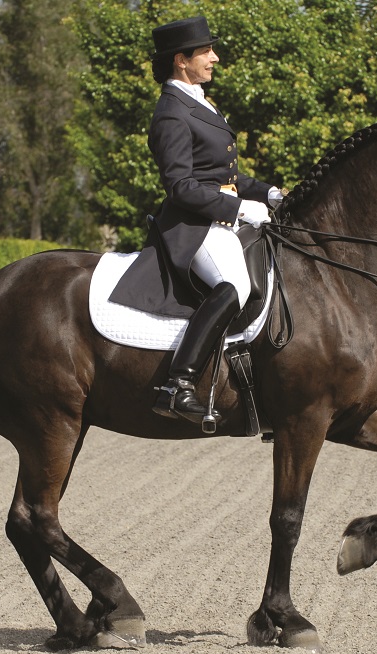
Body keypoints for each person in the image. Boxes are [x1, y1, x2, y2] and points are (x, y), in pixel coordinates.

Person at [109, 15, 284, 425]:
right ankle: (178, 384)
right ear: (180, 59)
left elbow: (224, 175)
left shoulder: (199, 101)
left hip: (219, 218)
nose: (215, 58)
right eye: (206, 51)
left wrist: (270, 193)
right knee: (234, 285)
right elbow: (181, 187)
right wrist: (239, 209)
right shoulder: (171, 112)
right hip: (193, 226)